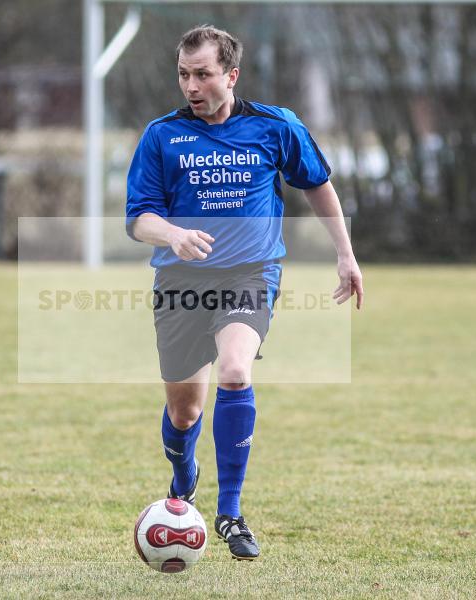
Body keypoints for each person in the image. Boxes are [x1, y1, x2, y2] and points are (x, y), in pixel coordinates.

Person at [126, 25, 363, 560]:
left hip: (250, 276)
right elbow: (139, 218)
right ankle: (183, 476)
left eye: (203, 74)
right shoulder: (161, 136)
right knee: (185, 411)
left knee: (235, 370)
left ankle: (230, 513)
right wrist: (174, 234)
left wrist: (346, 256)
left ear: (230, 75)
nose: (191, 85)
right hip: (180, 282)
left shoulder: (275, 127)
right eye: (184, 74)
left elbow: (318, 185)